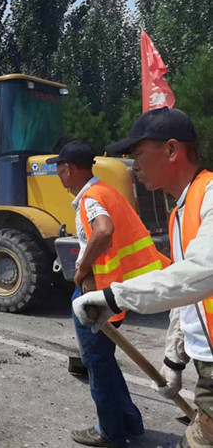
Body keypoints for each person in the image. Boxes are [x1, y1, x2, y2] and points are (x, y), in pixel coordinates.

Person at [73, 107, 213, 447]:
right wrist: (174, 360)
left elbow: (201, 273)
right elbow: (188, 296)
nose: (133, 167)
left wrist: (113, 297)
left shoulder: (210, 195)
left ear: (171, 150)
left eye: (138, 155)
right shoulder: (180, 210)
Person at [47, 140, 169, 447]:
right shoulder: (107, 190)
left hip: (96, 295)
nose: (59, 175)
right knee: (104, 360)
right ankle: (128, 421)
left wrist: (82, 268)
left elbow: (103, 230)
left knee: (97, 363)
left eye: (59, 168)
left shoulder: (90, 197)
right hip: (112, 293)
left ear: (69, 169)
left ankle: (110, 432)